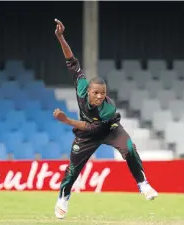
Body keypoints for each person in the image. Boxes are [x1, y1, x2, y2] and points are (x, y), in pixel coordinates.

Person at [53, 19, 158, 219]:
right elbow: (71, 61)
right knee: (73, 169)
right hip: (87, 134)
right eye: (96, 93)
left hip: (109, 129)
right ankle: (63, 198)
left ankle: (143, 184)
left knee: (129, 148)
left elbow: (93, 127)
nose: (100, 97)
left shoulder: (108, 110)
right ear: (89, 91)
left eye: (103, 93)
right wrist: (60, 37)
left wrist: (66, 120)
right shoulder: (81, 86)